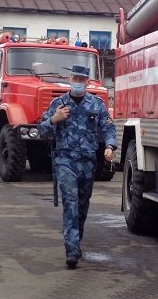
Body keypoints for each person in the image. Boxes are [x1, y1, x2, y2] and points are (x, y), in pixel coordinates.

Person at [37, 64, 117, 269]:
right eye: (75, 79)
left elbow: (108, 127)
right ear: (69, 80)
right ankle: (71, 249)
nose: (78, 83)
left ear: (87, 82)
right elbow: (42, 131)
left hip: (88, 163)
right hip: (65, 161)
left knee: (82, 205)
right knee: (70, 202)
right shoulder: (58, 103)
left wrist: (109, 146)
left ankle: (76, 240)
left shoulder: (96, 104)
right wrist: (54, 119)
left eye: (82, 80)